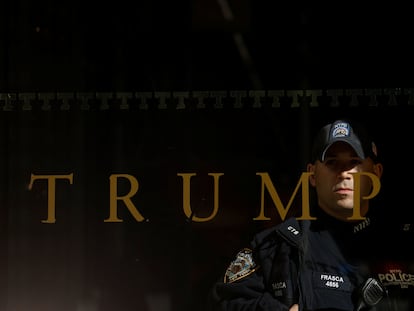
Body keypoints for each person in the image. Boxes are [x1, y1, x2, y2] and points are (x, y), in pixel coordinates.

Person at [207, 118, 413, 311]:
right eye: (332, 162)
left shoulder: (403, 245)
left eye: (354, 162)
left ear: (376, 172)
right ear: (312, 175)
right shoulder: (278, 245)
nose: (343, 172)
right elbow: (223, 301)